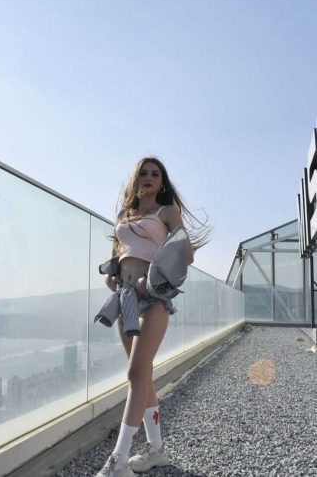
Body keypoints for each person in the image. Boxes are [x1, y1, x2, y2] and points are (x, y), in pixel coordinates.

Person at [95, 157, 209, 477]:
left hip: (154, 298)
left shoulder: (166, 212)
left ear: (161, 182)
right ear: (135, 180)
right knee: (142, 375)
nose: (148, 177)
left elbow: (186, 254)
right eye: (143, 173)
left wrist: (156, 274)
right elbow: (122, 251)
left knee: (135, 374)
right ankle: (156, 450)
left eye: (155, 174)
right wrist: (114, 274)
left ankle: (118, 461)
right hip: (125, 297)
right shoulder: (125, 215)